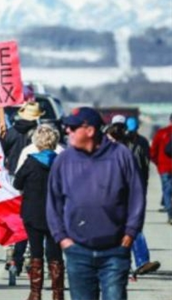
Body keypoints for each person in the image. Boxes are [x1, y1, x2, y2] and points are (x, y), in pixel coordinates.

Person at [47, 107, 146, 300]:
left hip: (115, 250)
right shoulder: (63, 160)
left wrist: (130, 233)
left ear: (90, 131)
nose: (67, 131)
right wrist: (62, 238)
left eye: (73, 128)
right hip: (77, 251)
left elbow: (136, 196)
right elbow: (53, 202)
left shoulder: (121, 155)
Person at [13, 124, 64, 300]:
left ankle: (35, 293)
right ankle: (58, 294)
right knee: (55, 254)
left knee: (36, 253)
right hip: (55, 214)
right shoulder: (61, 162)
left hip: (32, 213)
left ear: (37, 142)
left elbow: (17, 184)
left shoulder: (30, 161)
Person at [105, 121, 161, 276]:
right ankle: (136, 262)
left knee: (129, 228)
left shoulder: (113, 151)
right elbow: (145, 165)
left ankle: (134, 262)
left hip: (122, 194)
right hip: (129, 192)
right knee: (130, 228)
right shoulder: (136, 145)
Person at [2, 101, 45, 274]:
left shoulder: (10, 132)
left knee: (14, 216)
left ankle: (12, 250)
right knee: (31, 216)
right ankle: (28, 254)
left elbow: (1, 153)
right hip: (33, 178)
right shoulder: (38, 134)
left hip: (12, 178)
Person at [149, 113, 172, 225]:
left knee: (167, 191)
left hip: (164, 167)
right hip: (164, 167)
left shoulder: (161, 133)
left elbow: (153, 151)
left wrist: (158, 163)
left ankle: (170, 214)